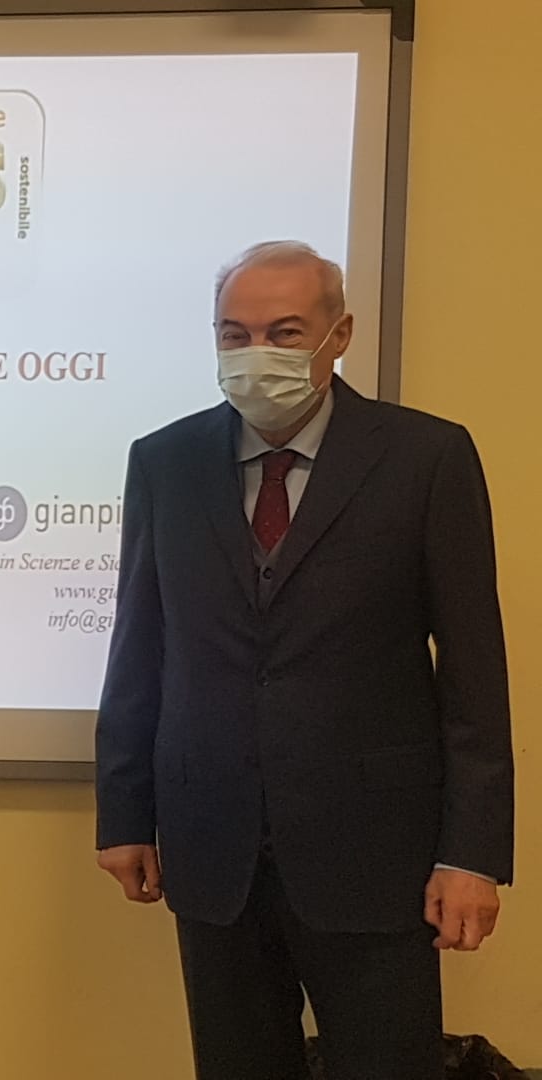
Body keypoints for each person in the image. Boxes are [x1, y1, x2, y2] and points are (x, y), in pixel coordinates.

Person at [94, 241, 513, 1080]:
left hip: (375, 855)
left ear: (338, 335)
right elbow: (139, 644)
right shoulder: (165, 462)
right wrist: (125, 812)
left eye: (284, 332)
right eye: (235, 334)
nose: (257, 353)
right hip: (211, 849)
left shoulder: (426, 459)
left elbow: (474, 673)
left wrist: (470, 855)